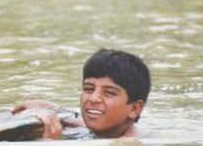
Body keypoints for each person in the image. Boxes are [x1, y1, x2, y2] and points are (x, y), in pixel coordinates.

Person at [12, 48, 151, 139]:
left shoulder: (130, 145)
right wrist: (48, 107)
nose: (94, 98)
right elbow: (79, 121)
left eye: (109, 93)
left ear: (134, 109)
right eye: (89, 89)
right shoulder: (108, 129)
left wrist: (50, 143)